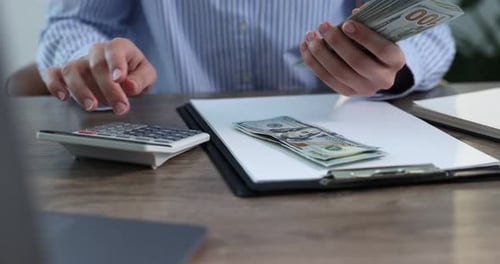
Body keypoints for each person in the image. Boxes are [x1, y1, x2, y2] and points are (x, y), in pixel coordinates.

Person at [37, 1, 456, 115]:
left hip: (330, 126)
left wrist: (391, 71)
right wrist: (90, 61)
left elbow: (434, 35)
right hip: (167, 149)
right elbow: (71, 26)